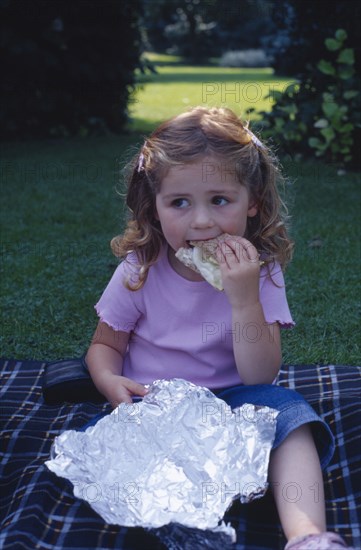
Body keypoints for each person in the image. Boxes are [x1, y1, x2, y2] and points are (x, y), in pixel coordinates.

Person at [85, 107, 350, 549]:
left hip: (236, 399)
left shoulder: (258, 273)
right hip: (157, 403)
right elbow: (104, 345)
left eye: (220, 200)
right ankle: (178, 527)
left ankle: (307, 535)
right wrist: (109, 379)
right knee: (130, 460)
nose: (202, 221)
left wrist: (244, 298)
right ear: (155, 207)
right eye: (180, 203)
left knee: (293, 418)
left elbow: (259, 376)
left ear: (253, 203)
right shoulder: (140, 270)